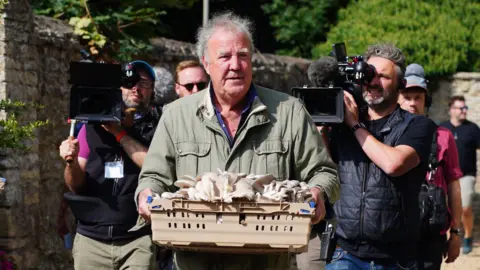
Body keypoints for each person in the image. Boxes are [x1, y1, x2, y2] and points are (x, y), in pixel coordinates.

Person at [134, 12, 340, 270]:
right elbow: (153, 177)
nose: (236, 65)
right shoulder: (176, 116)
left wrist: (317, 192)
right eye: (224, 56)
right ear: (206, 63)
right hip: (195, 262)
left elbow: (324, 172)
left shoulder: (289, 111)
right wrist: (145, 195)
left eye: (243, 55)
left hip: (267, 263)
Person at [324, 44, 437, 269]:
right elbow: (325, 164)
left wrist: (355, 124)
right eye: (368, 74)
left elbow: (394, 164)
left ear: (400, 84)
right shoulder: (343, 125)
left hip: (395, 257)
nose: (373, 81)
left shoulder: (417, 125)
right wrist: (322, 130)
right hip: (345, 252)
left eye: (383, 76)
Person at [58, 60, 160, 269]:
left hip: (137, 239)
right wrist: (70, 163)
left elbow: (154, 164)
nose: (136, 88)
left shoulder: (157, 127)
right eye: (128, 82)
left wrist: (118, 132)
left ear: (153, 90)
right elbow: (75, 185)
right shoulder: (90, 127)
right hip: (91, 240)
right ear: (117, 87)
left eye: (143, 83)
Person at [398, 63, 462, 268]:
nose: (412, 103)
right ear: (398, 98)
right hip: (395, 231)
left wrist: (456, 233)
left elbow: (454, 185)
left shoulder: (443, 136)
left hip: (431, 233)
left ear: (427, 101)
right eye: (407, 97)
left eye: (418, 98)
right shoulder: (386, 134)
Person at [440, 95, 480, 254]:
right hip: (444, 177)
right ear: (451, 110)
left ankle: (468, 236)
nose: (464, 111)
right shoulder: (442, 129)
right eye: (460, 108)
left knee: (465, 207)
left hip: (466, 175)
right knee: (444, 209)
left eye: (465, 108)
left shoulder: (473, 129)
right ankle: (449, 238)